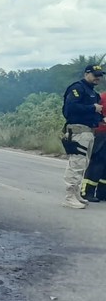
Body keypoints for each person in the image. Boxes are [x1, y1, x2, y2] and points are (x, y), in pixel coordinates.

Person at [61, 64, 105, 209]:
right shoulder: (77, 88)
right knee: (76, 164)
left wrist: (101, 118)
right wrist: (93, 108)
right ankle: (69, 197)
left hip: (89, 131)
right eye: (95, 75)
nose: (98, 78)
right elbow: (70, 108)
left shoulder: (92, 93)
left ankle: (76, 194)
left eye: (100, 75)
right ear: (87, 74)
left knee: (82, 165)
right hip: (78, 131)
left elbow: (93, 114)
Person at [81, 89, 106, 202]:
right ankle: (87, 191)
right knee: (97, 163)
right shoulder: (103, 98)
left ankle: (102, 193)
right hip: (102, 134)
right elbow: (94, 113)